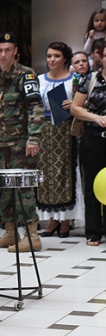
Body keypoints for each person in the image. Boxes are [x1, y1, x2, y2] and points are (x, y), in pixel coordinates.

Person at [0, 32, 45, 253]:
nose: (3, 54)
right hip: (1, 145)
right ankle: (10, 232)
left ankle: (32, 235)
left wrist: (34, 138)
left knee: (23, 189)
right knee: (3, 190)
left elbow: (36, 108)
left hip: (21, 144)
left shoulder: (26, 76)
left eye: (8, 50)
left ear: (16, 52)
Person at [36, 42, 78, 239]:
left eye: (56, 56)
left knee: (64, 173)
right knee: (46, 174)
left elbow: (81, 103)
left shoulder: (73, 80)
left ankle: (65, 221)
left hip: (65, 129)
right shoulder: (39, 80)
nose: (52, 60)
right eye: (49, 56)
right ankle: (52, 220)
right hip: (44, 130)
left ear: (65, 59)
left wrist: (74, 105)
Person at [71, 43, 106, 246]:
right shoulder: (91, 79)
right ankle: (93, 232)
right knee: (91, 183)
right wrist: (95, 117)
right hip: (93, 137)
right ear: (100, 57)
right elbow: (76, 108)